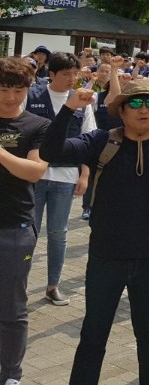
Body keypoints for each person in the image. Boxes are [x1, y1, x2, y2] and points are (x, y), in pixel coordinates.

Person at [40, 79, 149, 385]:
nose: (144, 110)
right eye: (135, 103)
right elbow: (51, 150)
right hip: (106, 257)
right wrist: (69, 109)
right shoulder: (101, 141)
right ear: (121, 110)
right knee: (94, 333)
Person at [26, 51, 96, 307]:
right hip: (33, 175)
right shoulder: (31, 96)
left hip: (66, 176)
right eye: (66, 74)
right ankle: (18, 284)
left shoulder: (82, 101)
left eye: (75, 74)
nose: (71, 79)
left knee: (58, 232)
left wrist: (85, 175)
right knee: (28, 232)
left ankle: (53, 285)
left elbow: (90, 140)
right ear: (51, 74)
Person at [0, 58, 50, 385]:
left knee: (12, 307)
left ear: (29, 88)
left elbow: (35, 171)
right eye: (4, 88)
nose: (10, 96)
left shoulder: (38, 125)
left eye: (18, 89)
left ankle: (11, 375)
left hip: (15, 227)